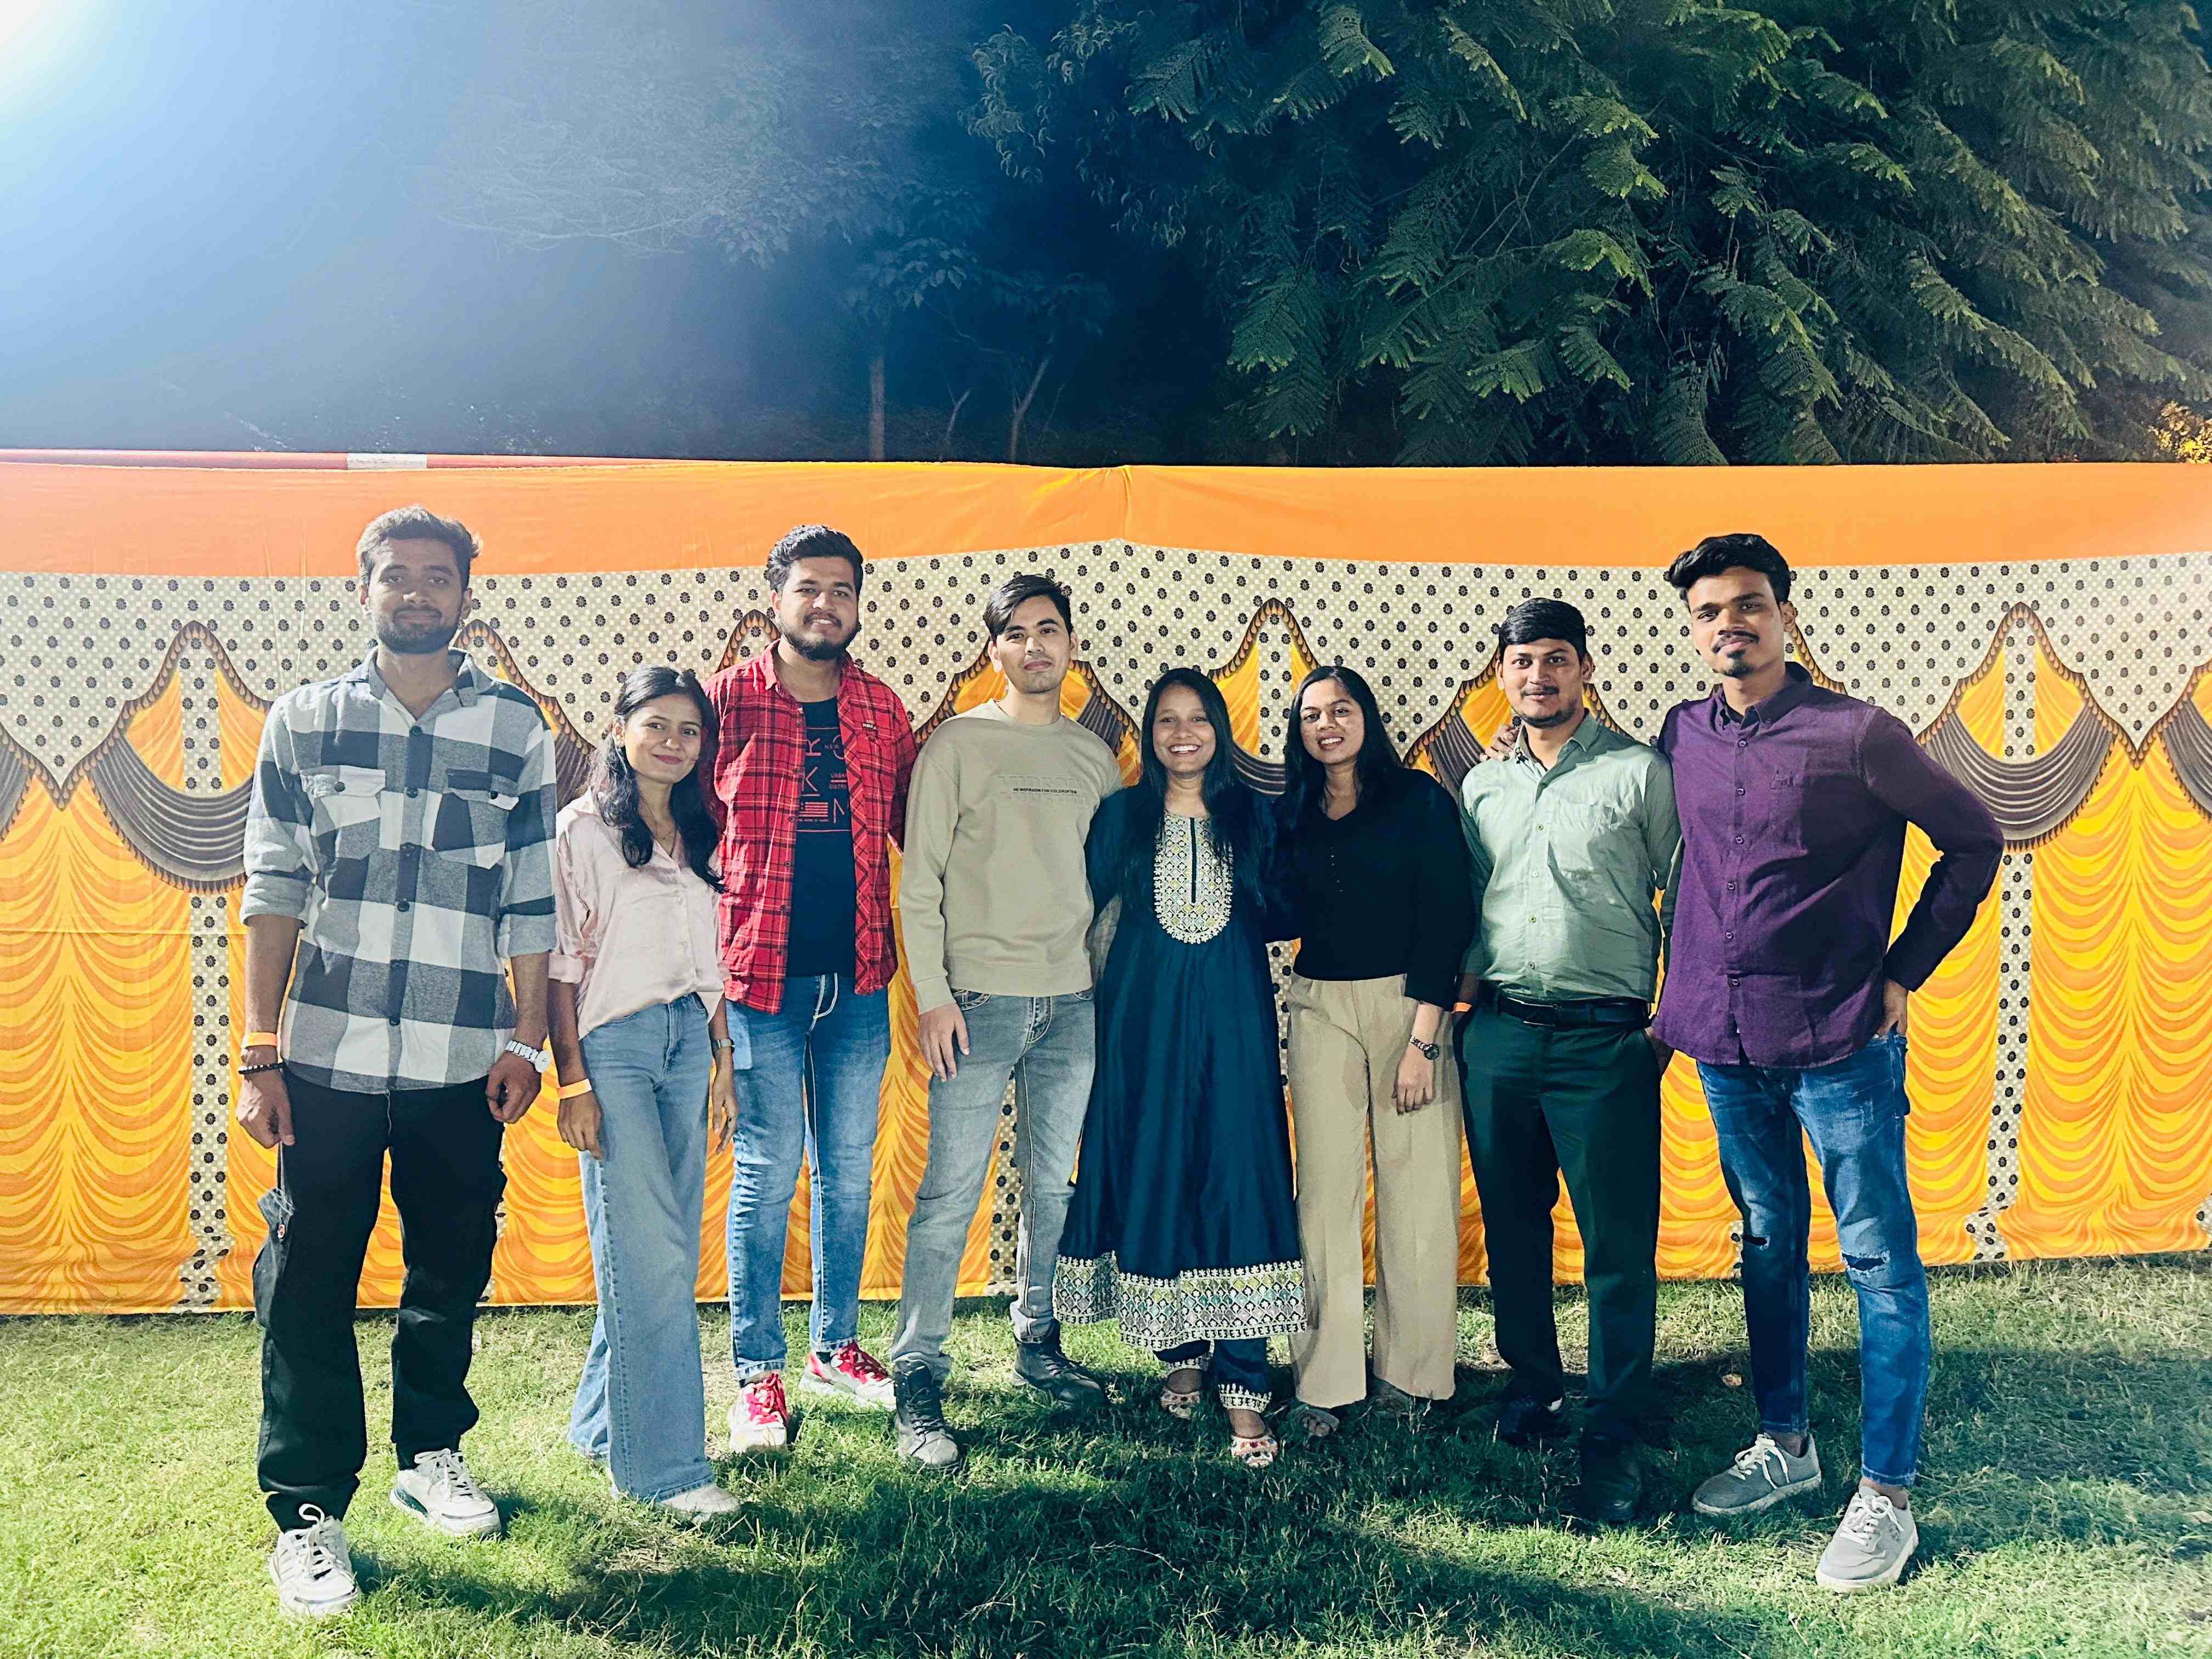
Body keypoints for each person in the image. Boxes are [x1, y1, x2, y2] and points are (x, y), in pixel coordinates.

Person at [1656, 534, 2001, 1591]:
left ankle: (1887, 1495)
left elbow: (1974, 840)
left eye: (1749, 605)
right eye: (1710, 612)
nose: (1730, 625)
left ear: (1785, 614)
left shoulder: (1860, 735)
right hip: (1726, 1042)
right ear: (1693, 630)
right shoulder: (1683, 733)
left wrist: (1903, 971)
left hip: (1840, 1041)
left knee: (1880, 1262)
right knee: (1767, 1242)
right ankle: (1785, 1444)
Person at [235, 506, 557, 1617]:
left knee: (449, 1267)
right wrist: (259, 1050)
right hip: (324, 1056)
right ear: (362, 587)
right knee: (309, 1281)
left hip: (461, 1057)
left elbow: (531, 896)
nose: (417, 593)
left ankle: (431, 1457)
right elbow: (273, 886)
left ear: (466, 594)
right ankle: (308, 1514)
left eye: (437, 577)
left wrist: (525, 1037)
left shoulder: (515, 727)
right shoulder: (304, 720)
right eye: (396, 575)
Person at [888, 572, 1123, 1471]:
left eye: (1049, 630)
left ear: (1072, 647)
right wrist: (934, 996)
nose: (1035, 646)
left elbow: (1104, 895)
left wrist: (1099, 989)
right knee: (950, 1194)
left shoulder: (1094, 759)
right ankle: (918, 1373)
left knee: (1052, 1189)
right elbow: (919, 883)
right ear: (995, 650)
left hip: (1071, 1005)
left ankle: (1038, 1337)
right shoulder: (957, 744)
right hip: (975, 1005)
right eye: (1017, 633)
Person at [1453, 600, 1680, 1525]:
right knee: (1514, 1227)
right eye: (1522, 661)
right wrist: (1462, 1025)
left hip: (1606, 1042)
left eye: (1556, 659)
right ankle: (1534, 1389)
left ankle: (1615, 1424)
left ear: (1585, 669)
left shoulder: (1640, 774)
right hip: (1501, 1036)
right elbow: (1471, 907)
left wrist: (1666, 1026)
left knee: (1616, 1246)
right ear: (1501, 676)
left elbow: (1690, 896)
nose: (1538, 676)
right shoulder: (1483, 787)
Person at [1054, 669, 1305, 1469]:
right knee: (1159, 1166)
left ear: (1220, 731)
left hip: (1233, 1027)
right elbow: (1084, 912)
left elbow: (1287, 906)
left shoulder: (1254, 817)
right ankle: (1182, 1353)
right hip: (1144, 1028)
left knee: (1236, 1175)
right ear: (1149, 733)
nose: (1184, 734)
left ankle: (1244, 1383)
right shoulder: (1121, 818)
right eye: (1168, 720)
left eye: (1199, 720)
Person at [704, 524, 918, 1453]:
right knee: (766, 1169)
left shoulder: (882, 708)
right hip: (759, 981)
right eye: (808, 588)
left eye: (841, 589)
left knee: (848, 1170)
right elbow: (681, 832)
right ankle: (758, 1373)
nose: (824, 604)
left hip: (860, 977)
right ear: (775, 598)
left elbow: (919, 829)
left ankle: (835, 1345)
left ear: (858, 604)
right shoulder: (725, 702)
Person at [549, 666, 741, 1515]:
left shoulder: (701, 829)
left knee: (655, 1247)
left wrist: (723, 1059)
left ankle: (602, 1424)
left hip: (686, 1045)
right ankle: (666, 1471)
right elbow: (560, 967)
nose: (672, 742)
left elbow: (712, 958)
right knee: (650, 1253)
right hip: (613, 1049)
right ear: (621, 729)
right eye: (656, 724)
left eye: (688, 730)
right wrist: (574, 1082)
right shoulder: (582, 830)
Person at [1276, 664, 1476, 1438]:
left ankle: (1411, 1376)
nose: (1326, 725)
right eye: (1311, 715)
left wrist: (1424, 1040)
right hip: (1319, 1004)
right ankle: (1322, 1380)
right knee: (1324, 1195)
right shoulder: (1293, 811)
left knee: (1418, 1189)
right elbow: (1273, 908)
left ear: (1367, 717)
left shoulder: (1418, 799)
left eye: (1341, 709)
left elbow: (1448, 917)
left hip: (1410, 1006)